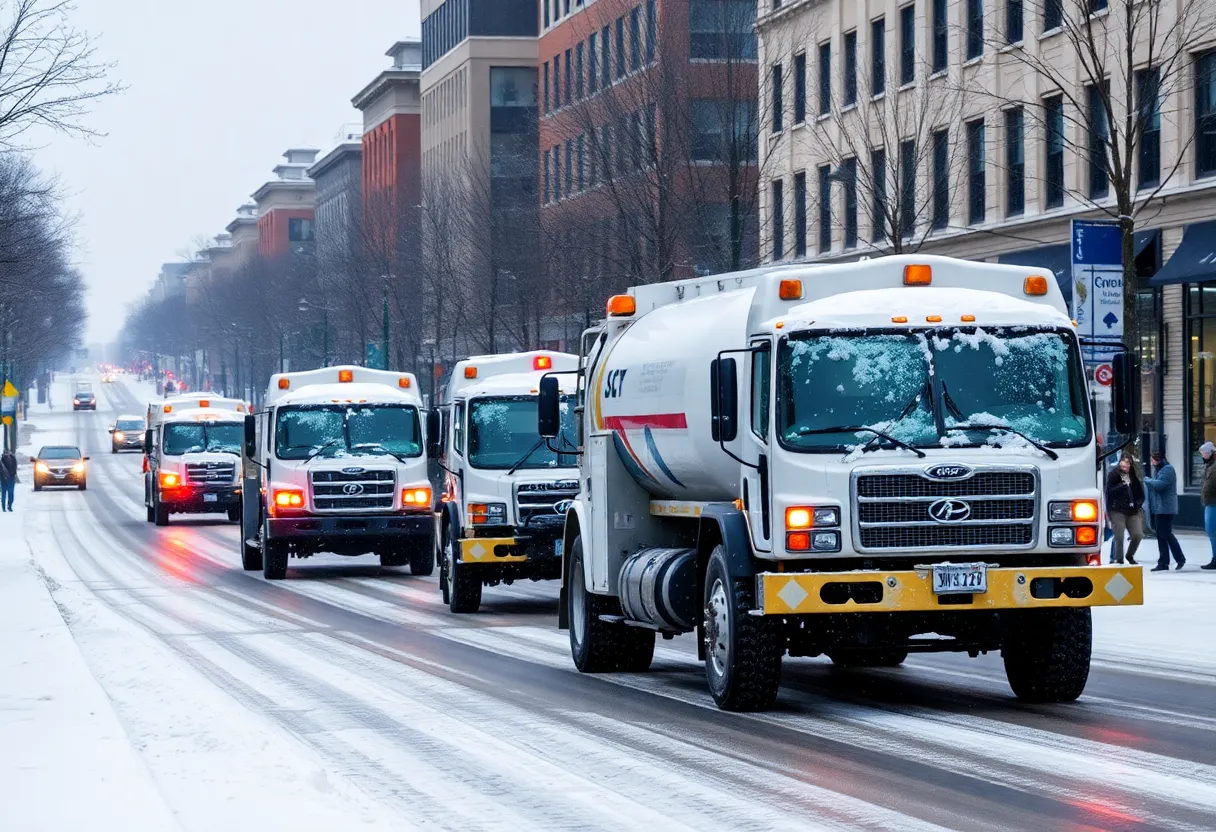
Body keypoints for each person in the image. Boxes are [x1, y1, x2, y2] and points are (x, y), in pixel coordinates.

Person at [1145, 450, 1185, 571]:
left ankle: (1179, 558)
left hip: (1165, 508)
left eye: (1153, 460)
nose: (1151, 463)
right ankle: (1163, 562)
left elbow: (1160, 485)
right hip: (1159, 508)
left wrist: (1148, 480)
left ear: (1159, 460)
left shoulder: (1168, 469)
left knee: (1165, 534)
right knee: (1161, 535)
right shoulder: (1159, 470)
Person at [1105, 452, 1145, 565]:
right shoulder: (1113, 475)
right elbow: (1109, 491)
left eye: (1128, 464)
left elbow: (1140, 493)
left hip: (1132, 510)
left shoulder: (1133, 476)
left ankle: (1129, 555)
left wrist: (1138, 503)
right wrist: (1122, 486)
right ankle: (1119, 559)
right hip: (1117, 509)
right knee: (1119, 536)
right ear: (1120, 463)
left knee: (1138, 534)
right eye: (1124, 463)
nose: (1126, 466)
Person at [1202, 442, 1216, 570]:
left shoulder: (1214, 467)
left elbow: (1211, 485)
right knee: (1212, 532)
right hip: (1210, 502)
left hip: (1213, 502)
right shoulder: (1210, 465)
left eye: (1205, 453)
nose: (1203, 456)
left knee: (1212, 531)